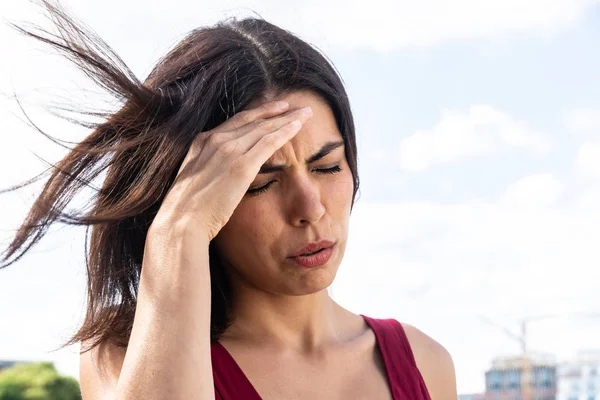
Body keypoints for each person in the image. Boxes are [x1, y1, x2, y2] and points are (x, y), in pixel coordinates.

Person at [0, 1, 457, 399]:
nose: (310, 207)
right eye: (260, 182)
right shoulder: (124, 353)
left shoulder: (424, 362)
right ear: (199, 195)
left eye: (327, 167)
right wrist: (178, 232)